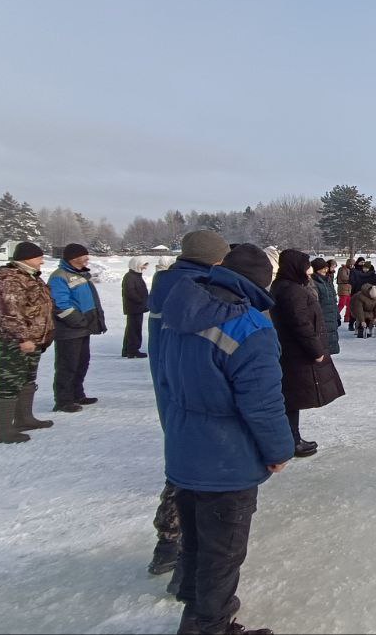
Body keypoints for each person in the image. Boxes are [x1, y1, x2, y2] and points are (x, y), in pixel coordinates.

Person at [155, 243, 294, 635]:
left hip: (183, 447)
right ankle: (210, 625)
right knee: (223, 550)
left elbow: (164, 379)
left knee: (197, 541)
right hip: (226, 458)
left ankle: (197, 611)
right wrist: (279, 450)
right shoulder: (250, 326)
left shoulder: (178, 310)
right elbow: (263, 403)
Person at [144, 230, 230, 584]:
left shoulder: (167, 285)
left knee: (182, 468)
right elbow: (217, 343)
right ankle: (187, 561)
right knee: (201, 479)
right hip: (196, 391)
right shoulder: (196, 290)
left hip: (171, 388)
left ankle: (168, 546)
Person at [270, 249, 346, 457]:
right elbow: (300, 324)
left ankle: (293, 438)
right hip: (295, 353)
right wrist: (316, 350)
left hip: (290, 351)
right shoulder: (291, 291)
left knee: (291, 398)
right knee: (291, 398)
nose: (309, 270)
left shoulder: (286, 286)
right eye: (306, 265)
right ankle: (291, 442)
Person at [0, 241, 55, 444]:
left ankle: (24, 419)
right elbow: (10, 311)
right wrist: (22, 337)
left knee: (27, 379)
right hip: (15, 341)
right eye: (39, 257)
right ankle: (2, 430)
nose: (42, 260)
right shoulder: (9, 279)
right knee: (9, 382)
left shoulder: (30, 277)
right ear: (27, 257)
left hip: (33, 340)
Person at [48, 243, 107, 412]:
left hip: (82, 328)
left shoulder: (79, 274)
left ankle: (77, 394)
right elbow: (60, 303)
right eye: (84, 256)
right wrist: (78, 321)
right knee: (67, 365)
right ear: (74, 258)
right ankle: (63, 400)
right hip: (69, 329)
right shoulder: (60, 276)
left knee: (82, 362)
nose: (88, 258)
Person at [311, 258, 341, 356]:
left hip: (331, 318)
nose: (325, 270)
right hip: (321, 318)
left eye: (325, 268)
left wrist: (337, 316)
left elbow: (333, 300)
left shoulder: (328, 280)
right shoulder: (313, 282)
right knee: (322, 348)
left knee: (329, 348)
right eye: (322, 268)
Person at [121, 256, 150, 358]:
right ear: (137, 265)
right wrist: (141, 300)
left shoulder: (135, 275)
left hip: (136, 307)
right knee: (134, 329)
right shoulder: (130, 276)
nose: (144, 267)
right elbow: (130, 292)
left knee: (131, 328)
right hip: (134, 308)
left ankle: (127, 349)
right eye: (143, 265)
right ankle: (133, 350)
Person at [337, 258, 354, 331]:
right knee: (342, 303)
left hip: (348, 288)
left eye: (352, 264)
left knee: (349, 304)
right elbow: (344, 277)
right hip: (343, 287)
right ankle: (335, 316)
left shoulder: (350, 269)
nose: (351, 265)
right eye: (350, 264)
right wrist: (351, 278)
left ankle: (347, 318)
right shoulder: (342, 269)